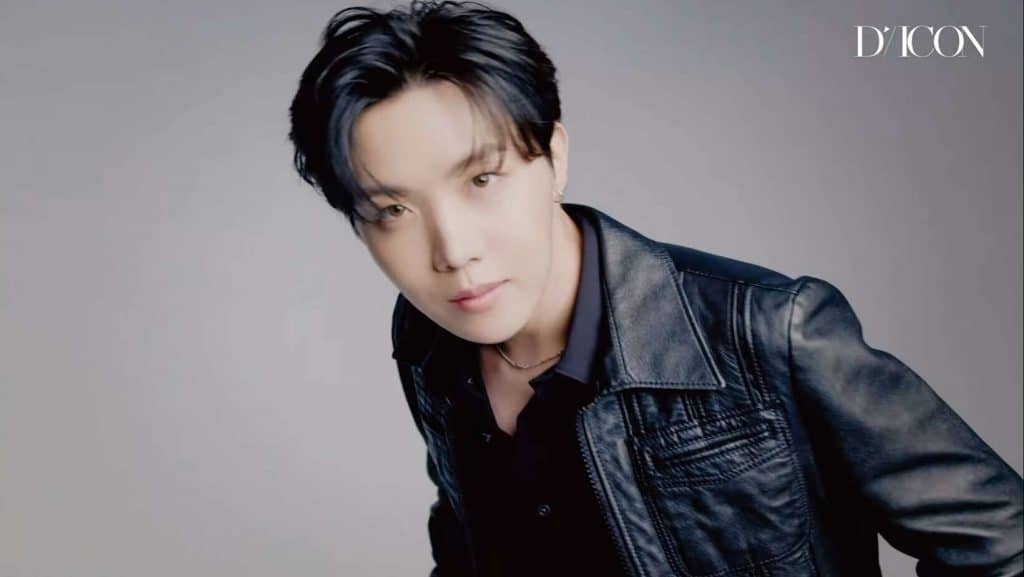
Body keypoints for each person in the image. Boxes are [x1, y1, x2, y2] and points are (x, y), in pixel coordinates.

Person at [286, 2, 1024, 575]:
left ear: (554, 157)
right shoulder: (427, 338)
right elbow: (465, 536)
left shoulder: (770, 330)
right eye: (393, 211)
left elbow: (1005, 544)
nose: (453, 252)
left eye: (482, 180)